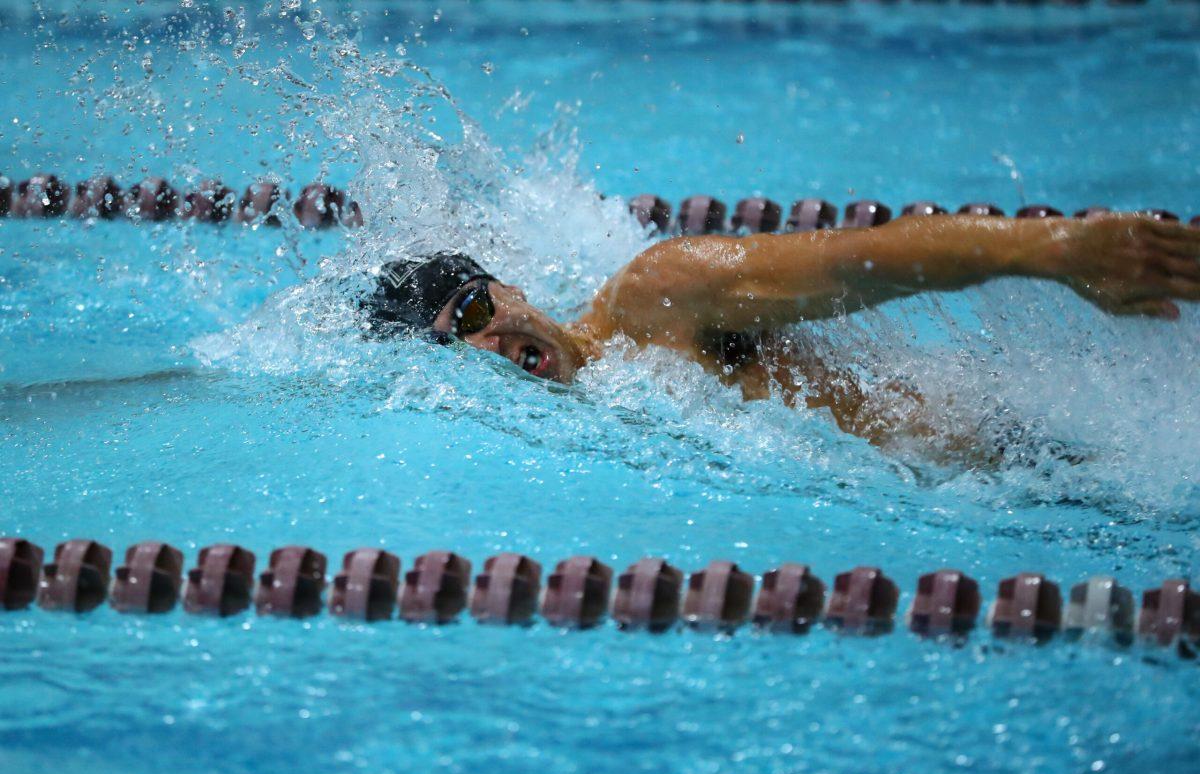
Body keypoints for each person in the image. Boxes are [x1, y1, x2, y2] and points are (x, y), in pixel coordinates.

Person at [362, 213, 1200, 452]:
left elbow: (852, 262)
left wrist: (1050, 251)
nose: (486, 348)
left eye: (475, 313)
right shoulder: (571, 428)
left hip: (1031, 458)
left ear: (507, 286)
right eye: (454, 347)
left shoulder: (659, 295)